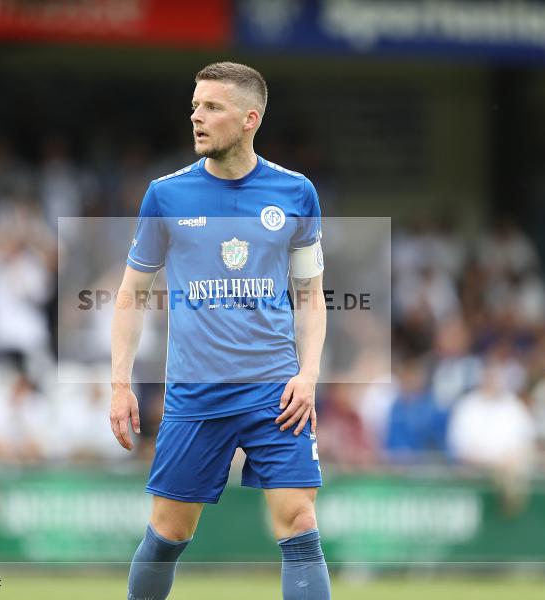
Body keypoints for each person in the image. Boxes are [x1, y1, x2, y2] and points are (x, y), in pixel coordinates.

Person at [110, 62, 330, 600]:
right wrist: (119, 383)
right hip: (196, 391)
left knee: (300, 522)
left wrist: (308, 375)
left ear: (250, 119)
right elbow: (132, 293)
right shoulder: (166, 195)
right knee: (169, 531)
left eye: (212, 107)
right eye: (195, 106)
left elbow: (310, 295)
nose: (197, 117)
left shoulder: (296, 192)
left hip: (277, 391)